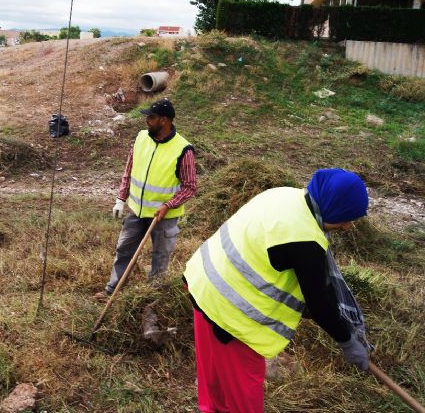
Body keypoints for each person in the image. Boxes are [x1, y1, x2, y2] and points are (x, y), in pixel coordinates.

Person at [184, 168, 372, 413]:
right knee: (243, 402)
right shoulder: (306, 240)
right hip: (231, 315)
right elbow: (319, 302)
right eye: (347, 217)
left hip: (205, 283)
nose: (348, 226)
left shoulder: (285, 195)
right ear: (334, 207)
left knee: (215, 383)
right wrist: (347, 342)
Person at [95, 99, 197, 300]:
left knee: (160, 258)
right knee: (124, 250)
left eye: (151, 117)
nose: (147, 121)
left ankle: (153, 299)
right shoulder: (142, 137)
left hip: (164, 217)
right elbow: (129, 169)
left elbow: (190, 187)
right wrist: (120, 198)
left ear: (164, 120)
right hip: (137, 212)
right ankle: (112, 291)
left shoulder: (183, 149)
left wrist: (169, 205)